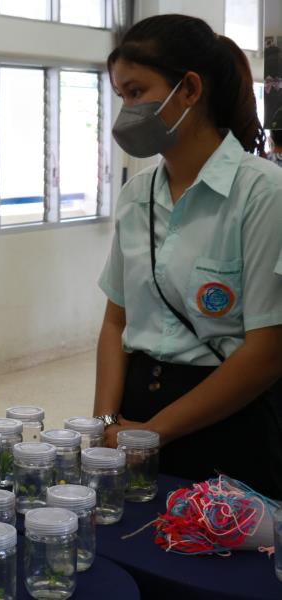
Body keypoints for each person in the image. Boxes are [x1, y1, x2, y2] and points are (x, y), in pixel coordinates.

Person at [94, 15, 282, 497]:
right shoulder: (137, 194)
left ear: (190, 90)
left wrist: (154, 433)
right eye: (121, 96)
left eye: (137, 92)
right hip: (136, 415)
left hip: (228, 422)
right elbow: (116, 321)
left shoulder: (263, 193)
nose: (127, 111)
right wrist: (107, 424)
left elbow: (267, 352)